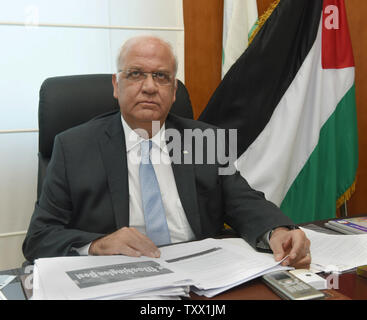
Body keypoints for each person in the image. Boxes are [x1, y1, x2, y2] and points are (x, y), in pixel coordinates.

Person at [23, 35, 311, 268]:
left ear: (174, 91)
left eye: (161, 77)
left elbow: (243, 201)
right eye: (135, 74)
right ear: (116, 85)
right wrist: (98, 245)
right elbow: (39, 238)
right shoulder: (73, 147)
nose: (149, 87)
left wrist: (277, 231)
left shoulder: (205, 139)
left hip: (202, 274)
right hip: (121, 275)